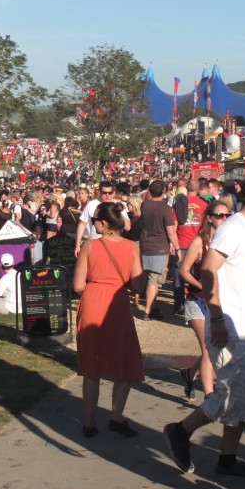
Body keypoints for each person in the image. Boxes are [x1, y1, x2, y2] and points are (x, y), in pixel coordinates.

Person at [163, 171, 245, 483]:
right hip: (229, 325)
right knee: (232, 395)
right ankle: (180, 430)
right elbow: (208, 271)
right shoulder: (234, 228)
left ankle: (227, 460)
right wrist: (215, 317)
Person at [74, 201, 143, 437]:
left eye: (95, 221)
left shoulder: (89, 247)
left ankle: (89, 422)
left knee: (92, 366)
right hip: (118, 303)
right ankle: (116, 416)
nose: (94, 224)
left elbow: (77, 285)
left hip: (94, 301)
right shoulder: (132, 247)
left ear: (103, 223)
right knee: (125, 362)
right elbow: (138, 284)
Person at [176, 199, 231, 401]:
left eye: (227, 215)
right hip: (197, 301)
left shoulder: (231, 241)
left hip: (219, 302)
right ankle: (210, 395)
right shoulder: (200, 242)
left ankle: (189, 374)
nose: (224, 219)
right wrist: (203, 286)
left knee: (214, 346)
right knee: (208, 348)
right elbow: (184, 271)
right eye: (219, 215)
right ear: (210, 218)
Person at [138, 181, 179, 320]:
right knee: (154, 281)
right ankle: (148, 311)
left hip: (145, 246)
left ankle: (154, 308)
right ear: (163, 192)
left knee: (150, 277)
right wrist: (177, 247)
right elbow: (171, 231)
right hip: (159, 247)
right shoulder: (165, 208)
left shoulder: (145, 205)